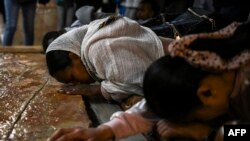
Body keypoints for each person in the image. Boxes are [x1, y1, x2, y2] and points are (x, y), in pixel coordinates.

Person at [47, 21, 250, 141]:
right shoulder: (199, 63)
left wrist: (209, 133)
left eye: (192, 116)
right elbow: (151, 107)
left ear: (207, 93)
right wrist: (105, 130)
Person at [45, 15, 173, 103]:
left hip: (180, 65)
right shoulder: (94, 33)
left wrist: (96, 90)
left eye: (72, 78)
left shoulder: (98, 48)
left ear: (73, 56)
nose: (77, 85)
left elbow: (131, 81)